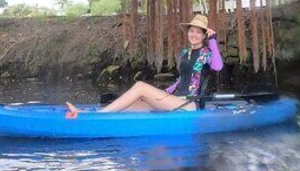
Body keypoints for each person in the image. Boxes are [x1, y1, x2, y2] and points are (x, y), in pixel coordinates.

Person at [66, 14, 223, 117]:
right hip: (174, 99)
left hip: (189, 104)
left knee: (140, 86)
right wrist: (166, 91)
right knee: (130, 105)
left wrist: (213, 41)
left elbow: (217, 67)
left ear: (204, 35)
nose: (194, 35)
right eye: (191, 31)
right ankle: (85, 114)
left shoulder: (207, 53)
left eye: (198, 32)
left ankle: (98, 118)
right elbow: (184, 79)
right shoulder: (185, 53)